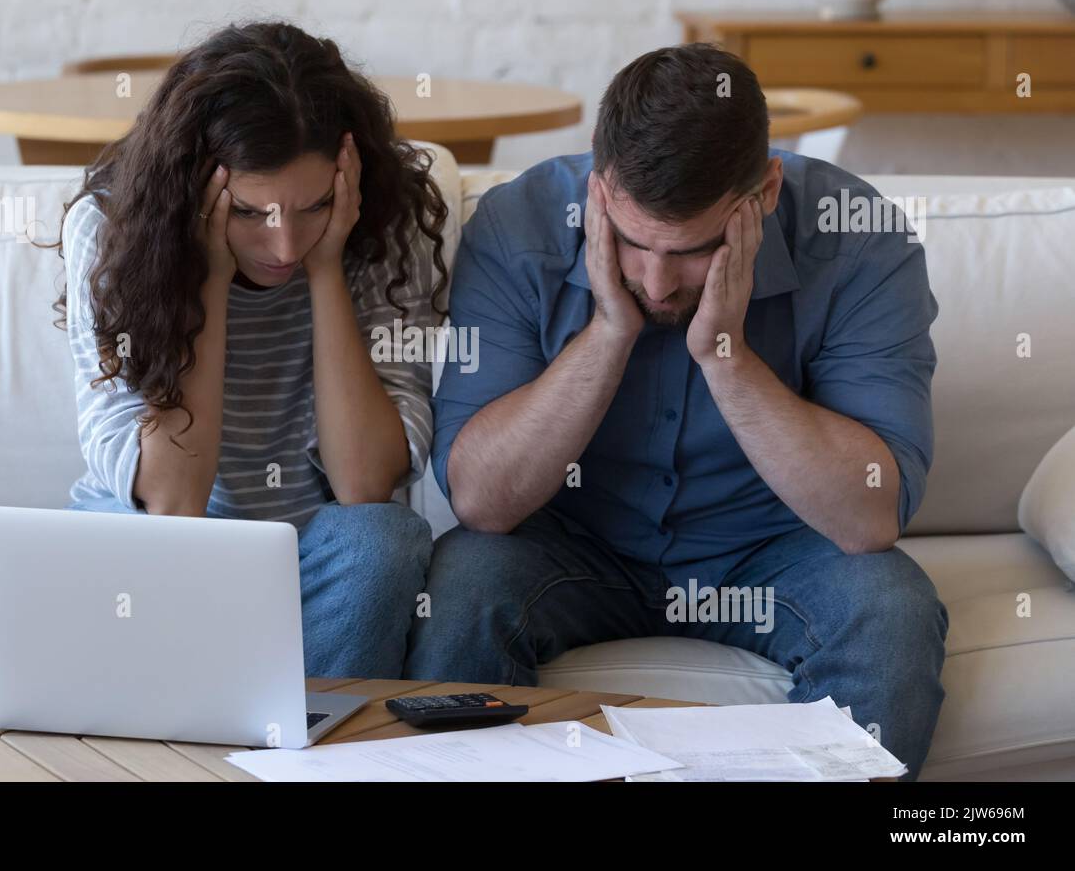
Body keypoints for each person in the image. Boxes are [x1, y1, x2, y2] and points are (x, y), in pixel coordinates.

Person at [406, 43, 948, 780]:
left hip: (777, 552)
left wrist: (726, 355)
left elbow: (867, 518)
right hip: (571, 546)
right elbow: (481, 501)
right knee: (465, 583)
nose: (656, 283)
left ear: (764, 193)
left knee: (893, 609)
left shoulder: (861, 240)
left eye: (692, 250)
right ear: (600, 193)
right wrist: (607, 332)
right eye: (632, 242)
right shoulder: (518, 225)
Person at [42, 21, 449, 679]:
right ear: (195, 191)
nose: (284, 246)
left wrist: (327, 273)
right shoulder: (110, 228)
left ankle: (315, 744)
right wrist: (209, 277)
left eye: (313, 205)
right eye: (249, 213)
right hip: (161, 542)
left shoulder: (381, 222)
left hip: (314, 558)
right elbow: (172, 503)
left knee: (384, 539)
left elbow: (364, 483)